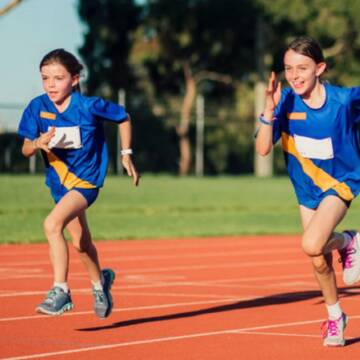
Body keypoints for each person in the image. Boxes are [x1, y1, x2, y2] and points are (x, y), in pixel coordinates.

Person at [17, 49, 140, 318]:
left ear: (74, 79)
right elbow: (25, 148)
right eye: (45, 78)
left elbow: (123, 117)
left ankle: (60, 290)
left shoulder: (88, 106)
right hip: (59, 184)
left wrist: (126, 154)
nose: (50, 84)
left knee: (51, 224)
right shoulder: (37, 107)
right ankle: (100, 283)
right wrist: (37, 143)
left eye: (58, 78)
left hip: (86, 182)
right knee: (81, 243)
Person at [255, 36, 360, 347]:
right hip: (305, 190)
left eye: (302, 68)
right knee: (317, 258)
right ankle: (335, 317)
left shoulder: (344, 100)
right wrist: (269, 109)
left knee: (311, 243)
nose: (294, 75)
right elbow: (262, 149)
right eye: (288, 69)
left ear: (320, 68)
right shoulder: (285, 102)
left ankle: (349, 239)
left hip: (340, 182)